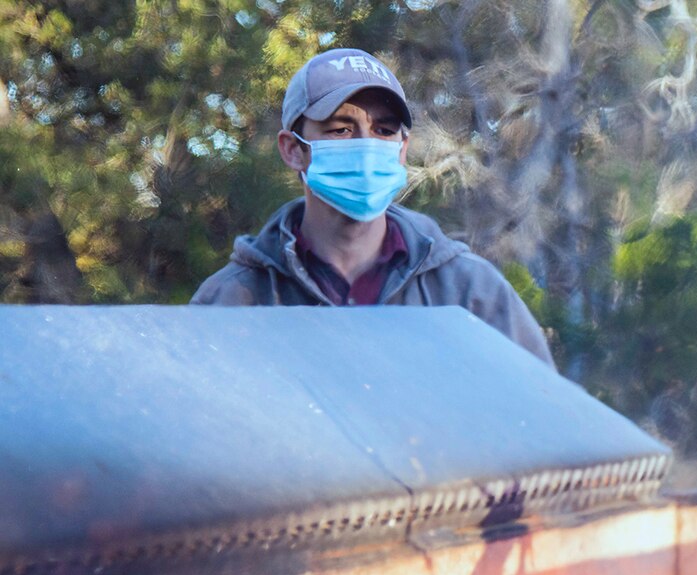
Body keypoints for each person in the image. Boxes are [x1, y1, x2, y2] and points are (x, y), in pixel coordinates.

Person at [191, 48, 555, 368]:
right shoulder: (232, 302)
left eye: (383, 130)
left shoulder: (469, 293)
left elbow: (548, 421)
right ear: (293, 149)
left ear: (402, 148)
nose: (367, 146)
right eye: (341, 130)